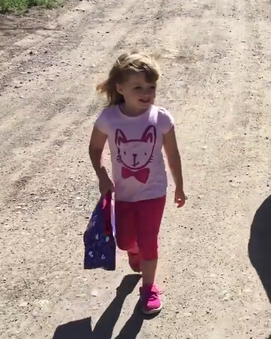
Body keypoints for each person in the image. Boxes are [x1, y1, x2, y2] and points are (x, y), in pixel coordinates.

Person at [88, 51, 185, 315]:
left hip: (153, 192)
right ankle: (134, 252)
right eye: (138, 87)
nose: (147, 93)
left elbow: (173, 155)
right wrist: (103, 176)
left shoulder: (161, 118)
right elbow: (95, 149)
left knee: (149, 240)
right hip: (124, 194)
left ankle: (149, 288)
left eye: (151, 87)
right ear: (120, 88)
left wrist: (179, 185)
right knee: (124, 241)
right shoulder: (109, 118)